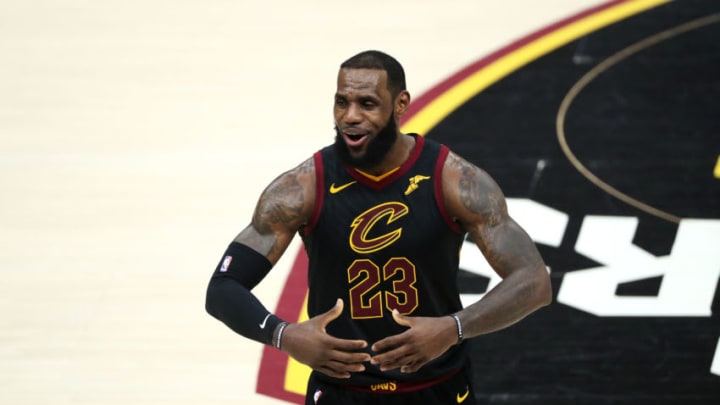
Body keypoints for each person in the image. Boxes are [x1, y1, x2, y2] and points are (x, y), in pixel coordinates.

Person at [205, 50, 552, 405]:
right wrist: (283, 335)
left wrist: (454, 328)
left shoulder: (453, 180)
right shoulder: (302, 187)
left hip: (437, 388)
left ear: (400, 104)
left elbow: (534, 281)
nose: (350, 117)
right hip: (343, 392)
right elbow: (223, 287)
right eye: (342, 102)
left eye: (367, 103)